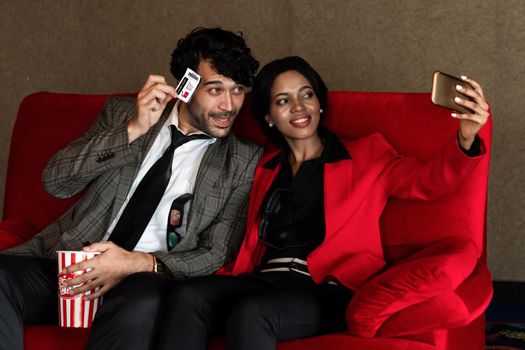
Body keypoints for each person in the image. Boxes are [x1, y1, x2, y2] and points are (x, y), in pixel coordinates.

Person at [156, 56, 490, 350]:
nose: (299, 107)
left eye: (307, 95)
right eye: (283, 100)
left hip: (327, 288)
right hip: (263, 280)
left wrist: (465, 138)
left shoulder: (367, 154)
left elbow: (430, 182)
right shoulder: (263, 166)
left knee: (253, 312)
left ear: (320, 104)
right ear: (269, 117)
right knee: (188, 297)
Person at [0, 27, 261, 350]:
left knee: (142, 303)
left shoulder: (243, 161)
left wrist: (136, 263)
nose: (229, 105)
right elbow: (55, 182)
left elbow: (218, 252)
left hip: (145, 279)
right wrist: (133, 130)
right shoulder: (123, 115)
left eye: (237, 90)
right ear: (185, 86)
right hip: (69, 264)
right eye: (215, 89)